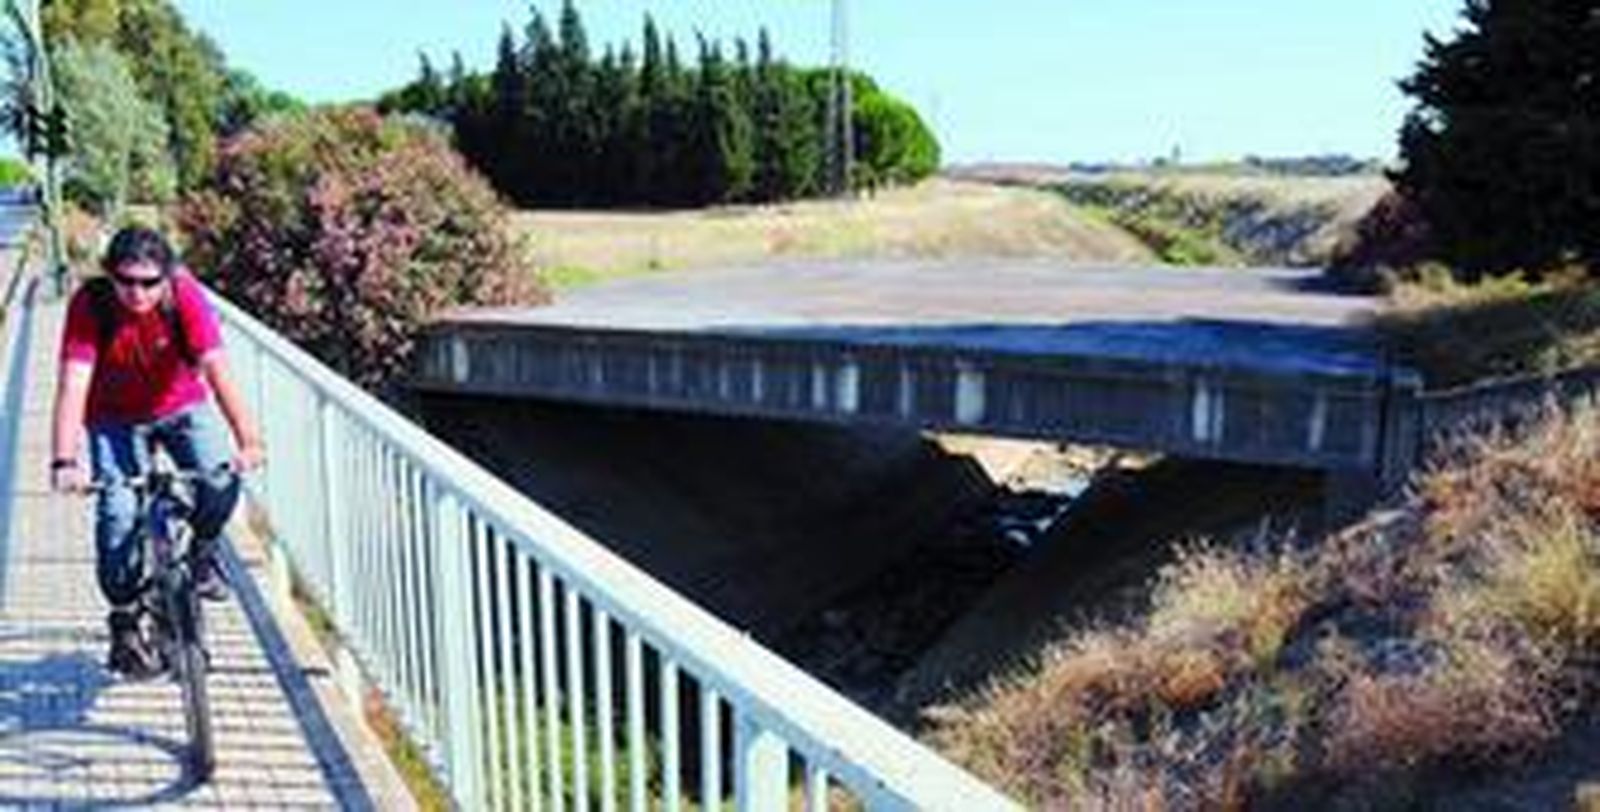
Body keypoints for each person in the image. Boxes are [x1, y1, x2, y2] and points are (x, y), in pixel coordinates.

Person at [48, 226, 266, 678]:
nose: (138, 293)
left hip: (181, 406)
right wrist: (64, 460)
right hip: (112, 418)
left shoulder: (185, 296)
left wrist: (249, 439)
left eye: (150, 282)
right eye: (127, 281)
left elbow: (217, 370)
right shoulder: (91, 305)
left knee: (220, 481)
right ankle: (125, 619)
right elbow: (73, 384)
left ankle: (204, 551)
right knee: (119, 514)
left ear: (167, 276)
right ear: (110, 275)